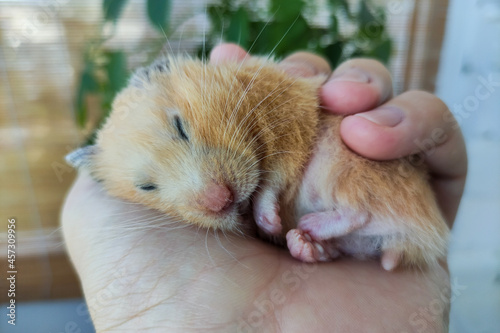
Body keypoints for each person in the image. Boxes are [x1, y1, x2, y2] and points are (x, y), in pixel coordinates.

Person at [61, 43, 467, 332]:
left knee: (334, 142)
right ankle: (351, 228)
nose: (213, 194)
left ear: (172, 71)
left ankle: (359, 215)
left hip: (376, 210)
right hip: (359, 249)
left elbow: (299, 120)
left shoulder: (254, 84)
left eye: (182, 130)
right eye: (149, 186)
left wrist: (271, 186)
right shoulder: (116, 182)